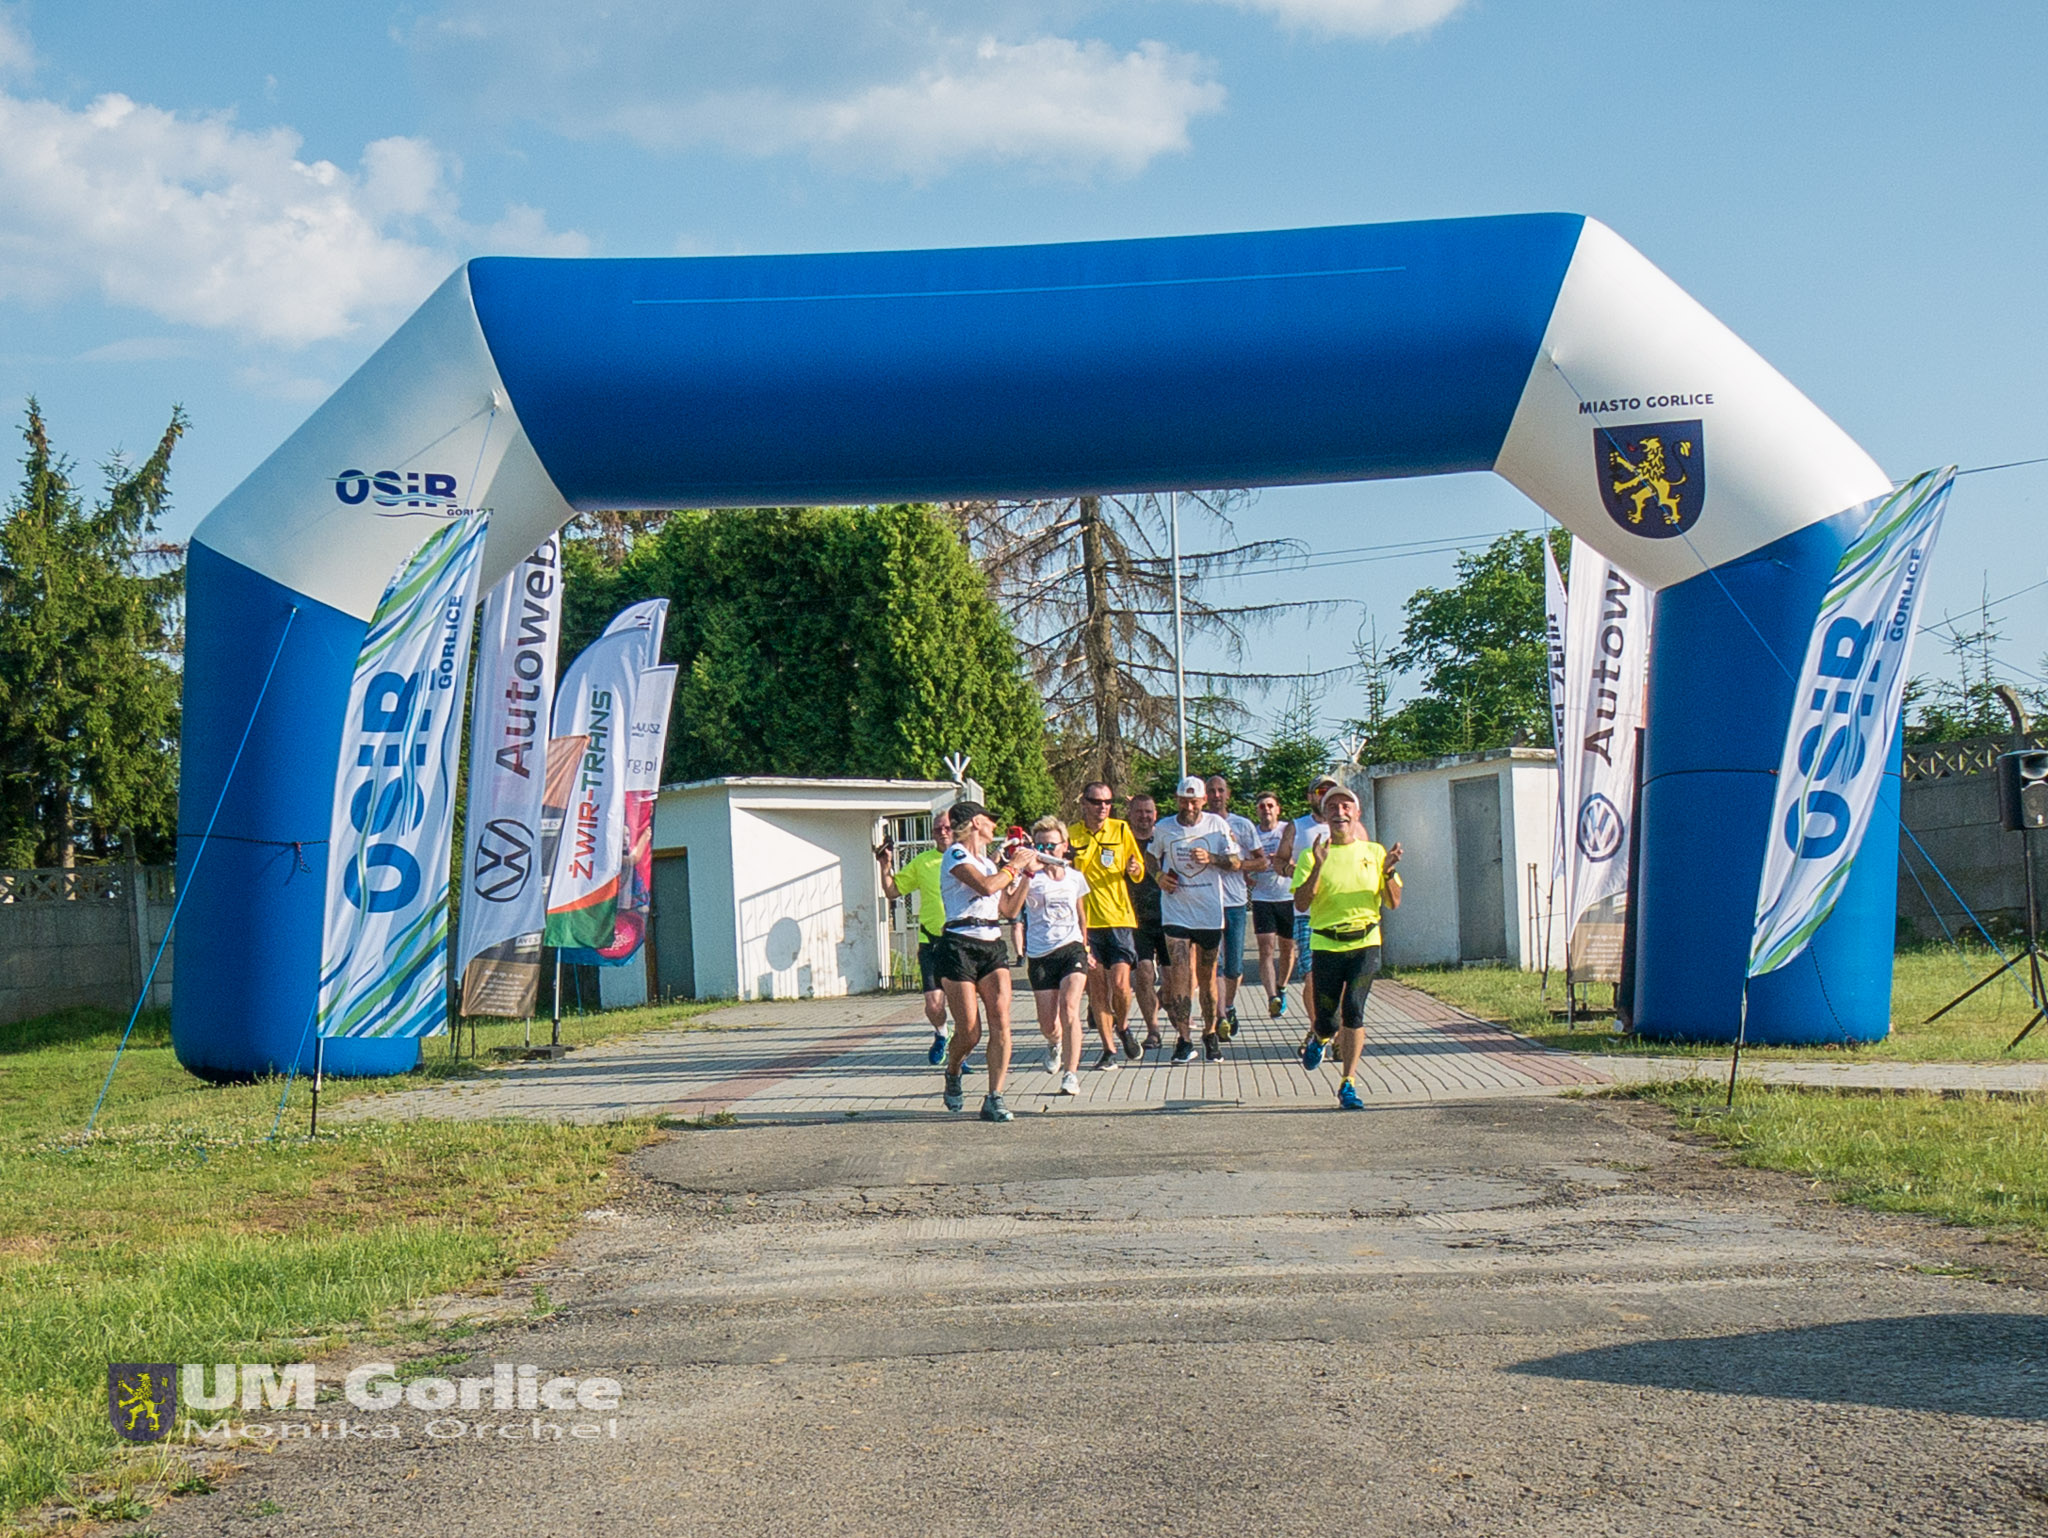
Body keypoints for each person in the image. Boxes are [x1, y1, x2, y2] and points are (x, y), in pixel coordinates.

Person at [1291, 787, 1402, 1111]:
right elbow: (1300, 902)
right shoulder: (1312, 854)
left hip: (1365, 942)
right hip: (1326, 943)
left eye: (1346, 806)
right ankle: (1320, 1037)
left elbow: (1393, 902)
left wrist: (1389, 871)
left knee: (1353, 1008)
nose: (1340, 812)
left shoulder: (1375, 852)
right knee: (1328, 1019)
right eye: (1333, 807)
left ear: (1357, 813)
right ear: (1325, 817)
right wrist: (1318, 867)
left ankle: (1347, 1083)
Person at [936, 800, 1036, 1123]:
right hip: (960, 943)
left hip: (992, 943)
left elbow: (1006, 908)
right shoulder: (956, 854)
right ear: (976, 822)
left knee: (1001, 1020)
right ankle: (953, 1070)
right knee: (969, 1030)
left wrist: (1026, 876)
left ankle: (995, 1096)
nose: (995, 826)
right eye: (990, 820)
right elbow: (985, 886)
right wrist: (1014, 866)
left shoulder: (991, 864)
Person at [1149, 774, 1242, 1062]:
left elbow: (1236, 862)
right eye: (1184, 801)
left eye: (1194, 801)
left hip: (1209, 913)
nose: (1189, 807)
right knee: (1179, 975)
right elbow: (1151, 856)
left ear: (1203, 801)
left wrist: (1212, 859)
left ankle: (1210, 1033)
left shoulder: (1217, 825)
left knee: (1207, 976)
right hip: (1176, 910)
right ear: (1177, 800)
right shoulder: (1164, 827)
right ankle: (1183, 1038)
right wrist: (1159, 876)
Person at [1004, 816, 1093, 1095]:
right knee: (1048, 1023)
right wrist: (1025, 874)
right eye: (1040, 846)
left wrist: (1086, 948)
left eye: (1052, 846)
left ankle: (1071, 1073)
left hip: (1071, 948)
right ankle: (1054, 1043)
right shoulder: (1031, 877)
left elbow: (1081, 915)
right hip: (1041, 953)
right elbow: (1010, 906)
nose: (1046, 852)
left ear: (1064, 846)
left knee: (1070, 1008)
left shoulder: (1075, 877)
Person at [1067, 781, 1146, 1067]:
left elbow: (1137, 868)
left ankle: (1123, 1026)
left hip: (1118, 918)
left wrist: (1135, 869)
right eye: (1097, 802)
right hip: (1086, 922)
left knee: (1122, 985)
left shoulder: (1121, 830)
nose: (1103, 807)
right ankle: (1108, 1048)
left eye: (1108, 802)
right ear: (1084, 803)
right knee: (1097, 989)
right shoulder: (1072, 835)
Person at [877, 807, 957, 1065]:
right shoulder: (923, 862)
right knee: (934, 1005)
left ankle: (960, 1052)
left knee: (962, 1004)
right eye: (937, 829)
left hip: (960, 941)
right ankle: (942, 1033)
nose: (943, 833)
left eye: (947, 827)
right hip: (931, 942)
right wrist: (885, 865)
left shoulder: (967, 859)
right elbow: (892, 891)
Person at [1205, 774, 1263, 1039]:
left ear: (1228, 794)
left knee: (1234, 965)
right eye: (1212, 792)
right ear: (1205, 796)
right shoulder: (1200, 825)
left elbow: (1261, 862)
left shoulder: (1243, 825)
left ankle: (1229, 1005)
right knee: (1213, 963)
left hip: (1236, 902)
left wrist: (1240, 864)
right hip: (1206, 903)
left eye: (1220, 791)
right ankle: (1219, 1016)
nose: (1216, 796)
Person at [1277, 774, 1337, 989]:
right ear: (1310, 797)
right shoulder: (1297, 826)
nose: (1326, 797)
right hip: (1307, 912)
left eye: (1331, 792)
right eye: (1321, 792)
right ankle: (1315, 1023)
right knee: (1312, 974)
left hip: (1337, 910)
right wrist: (1293, 870)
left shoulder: (1347, 825)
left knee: (1338, 979)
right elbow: (1279, 861)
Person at [1245, 790, 1295, 1017]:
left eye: (1270, 806)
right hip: (1262, 897)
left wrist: (1283, 861)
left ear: (1278, 809)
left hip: (1287, 896)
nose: (1266, 810)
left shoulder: (1286, 830)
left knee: (1287, 947)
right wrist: (1250, 874)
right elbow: (1244, 864)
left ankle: (1282, 987)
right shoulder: (1252, 834)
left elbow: (1299, 859)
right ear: (1257, 811)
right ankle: (1271, 996)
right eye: (1262, 806)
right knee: (1266, 948)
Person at [1125, 792, 1168, 1049]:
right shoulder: (1122, 839)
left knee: (1174, 983)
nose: (1144, 816)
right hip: (1135, 918)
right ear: (1130, 814)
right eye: (1139, 811)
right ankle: (1153, 1031)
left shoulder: (1163, 837)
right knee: (1144, 973)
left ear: (1156, 815)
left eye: (1148, 812)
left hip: (1169, 915)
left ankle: (1159, 1002)